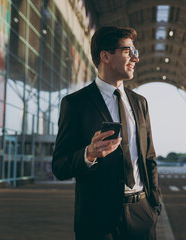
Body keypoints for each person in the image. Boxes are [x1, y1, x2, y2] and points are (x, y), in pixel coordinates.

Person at [52, 25, 162, 240]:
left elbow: (149, 157)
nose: (135, 58)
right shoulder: (75, 104)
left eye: (135, 52)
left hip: (142, 214)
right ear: (106, 56)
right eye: (128, 52)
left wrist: (154, 204)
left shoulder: (140, 103)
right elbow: (59, 166)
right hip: (97, 218)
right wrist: (89, 154)